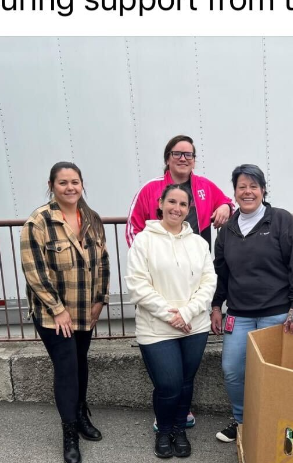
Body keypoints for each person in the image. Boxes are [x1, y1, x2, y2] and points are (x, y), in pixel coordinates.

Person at [126, 133, 233, 430]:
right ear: (167, 157)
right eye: (177, 153)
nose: (183, 158)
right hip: (159, 289)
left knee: (186, 377)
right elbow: (133, 232)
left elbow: (226, 201)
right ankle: (165, 422)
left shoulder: (204, 187)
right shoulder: (149, 190)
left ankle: (179, 419)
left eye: (188, 154)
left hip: (191, 298)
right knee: (169, 381)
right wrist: (150, 256)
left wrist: (225, 206)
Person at [210, 164, 293, 443]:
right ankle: (241, 420)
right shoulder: (228, 230)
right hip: (239, 314)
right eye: (242, 186)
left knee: (277, 374)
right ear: (234, 192)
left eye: (253, 186)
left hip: (278, 313)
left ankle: (277, 423)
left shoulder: (281, 221)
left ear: (263, 190)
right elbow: (221, 271)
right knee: (233, 369)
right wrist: (217, 305)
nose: (248, 192)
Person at [21, 162, 109, 463]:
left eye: (75, 181)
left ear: (82, 184)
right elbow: (34, 271)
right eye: (63, 183)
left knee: (80, 363)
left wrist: (101, 299)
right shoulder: (39, 222)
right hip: (53, 313)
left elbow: (103, 262)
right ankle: (69, 432)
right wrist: (58, 310)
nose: (70, 187)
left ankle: (81, 413)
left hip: (85, 309)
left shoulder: (92, 219)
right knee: (67, 366)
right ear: (52, 185)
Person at [127, 183, 217, 458]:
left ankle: (179, 429)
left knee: (186, 381)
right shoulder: (144, 240)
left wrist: (187, 313)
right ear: (161, 204)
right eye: (172, 202)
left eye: (182, 204)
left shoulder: (199, 243)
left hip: (194, 325)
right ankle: (164, 430)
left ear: (189, 209)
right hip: (156, 328)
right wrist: (171, 316)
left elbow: (208, 281)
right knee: (168, 384)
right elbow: (137, 285)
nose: (176, 208)